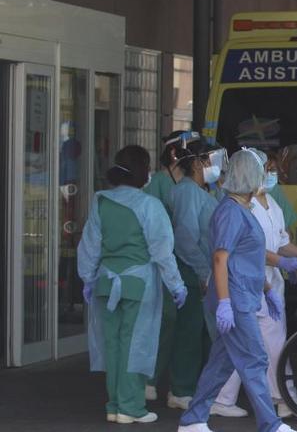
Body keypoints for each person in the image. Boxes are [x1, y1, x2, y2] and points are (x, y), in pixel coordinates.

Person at [178, 149, 297, 432]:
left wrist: (267, 288)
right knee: (254, 358)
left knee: (222, 363)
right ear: (250, 175)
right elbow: (221, 259)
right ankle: (270, 424)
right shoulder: (231, 212)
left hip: (244, 295)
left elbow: (244, 258)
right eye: (262, 171)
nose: (266, 176)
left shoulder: (241, 210)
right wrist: (224, 302)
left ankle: (193, 419)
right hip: (235, 299)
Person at [212, 150, 297, 419]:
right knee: (248, 349)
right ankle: (265, 404)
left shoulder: (272, 205)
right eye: (267, 168)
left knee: (264, 346)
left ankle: (273, 398)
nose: (272, 174)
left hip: (267, 286)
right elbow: (243, 251)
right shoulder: (237, 208)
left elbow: (280, 242)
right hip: (245, 284)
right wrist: (281, 263)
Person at [77, 145, 187, 424]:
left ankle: (114, 405)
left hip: (105, 282)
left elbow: (89, 246)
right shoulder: (150, 205)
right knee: (135, 347)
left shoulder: (100, 201)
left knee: (111, 346)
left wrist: (87, 279)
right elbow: (162, 251)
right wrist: (176, 285)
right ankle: (131, 406)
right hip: (139, 285)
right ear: (142, 171)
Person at [148, 141, 222, 410]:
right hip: (191, 271)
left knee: (200, 331)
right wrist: (203, 271)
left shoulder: (204, 191)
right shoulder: (188, 192)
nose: (218, 165)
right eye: (213, 159)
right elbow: (186, 237)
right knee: (189, 332)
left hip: (202, 270)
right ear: (198, 162)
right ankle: (181, 389)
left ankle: (192, 387)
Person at [145, 130, 200, 401]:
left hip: (188, 264)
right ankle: (150, 379)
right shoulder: (158, 182)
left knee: (189, 327)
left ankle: (180, 387)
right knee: (165, 322)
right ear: (176, 154)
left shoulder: (196, 185)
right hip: (164, 263)